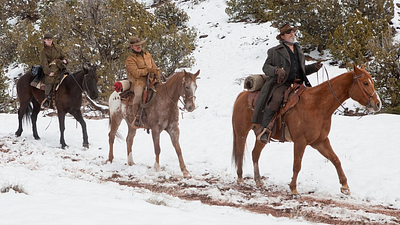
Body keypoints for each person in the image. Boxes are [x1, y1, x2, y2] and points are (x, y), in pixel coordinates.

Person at [252, 23, 323, 143]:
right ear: (282, 37)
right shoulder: (274, 51)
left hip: (299, 84)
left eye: (293, 32)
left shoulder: (298, 50)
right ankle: (265, 129)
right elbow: (265, 67)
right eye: (289, 32)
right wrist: (275, 70)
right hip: (281, 84)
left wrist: (313, 67)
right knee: (276, 99)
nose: (292, 34)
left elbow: (301, 69)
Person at [125, 35, 160, 128]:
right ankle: (136, 117)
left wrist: (157, 76)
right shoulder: (130, 59)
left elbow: (154, 67)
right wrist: (147, 70)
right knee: (139, 94)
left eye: (139, 44)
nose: (138, 46)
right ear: (131, 47)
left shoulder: (148, 55)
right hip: (138, 82)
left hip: (151, 80)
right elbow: (135, 73)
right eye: (136, 45)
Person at [40, 33, 68, 108]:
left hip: (60, 66)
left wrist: (65, 60)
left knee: (67, 78)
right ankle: (47, 98)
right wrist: (48, 72)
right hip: (51, 68)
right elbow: (44, 63)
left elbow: (63, 56)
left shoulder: (58, 49)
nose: (49, 41)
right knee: (50, 80)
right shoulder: (43, 52)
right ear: (44, 40)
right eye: (47, 40)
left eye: (50, 40)